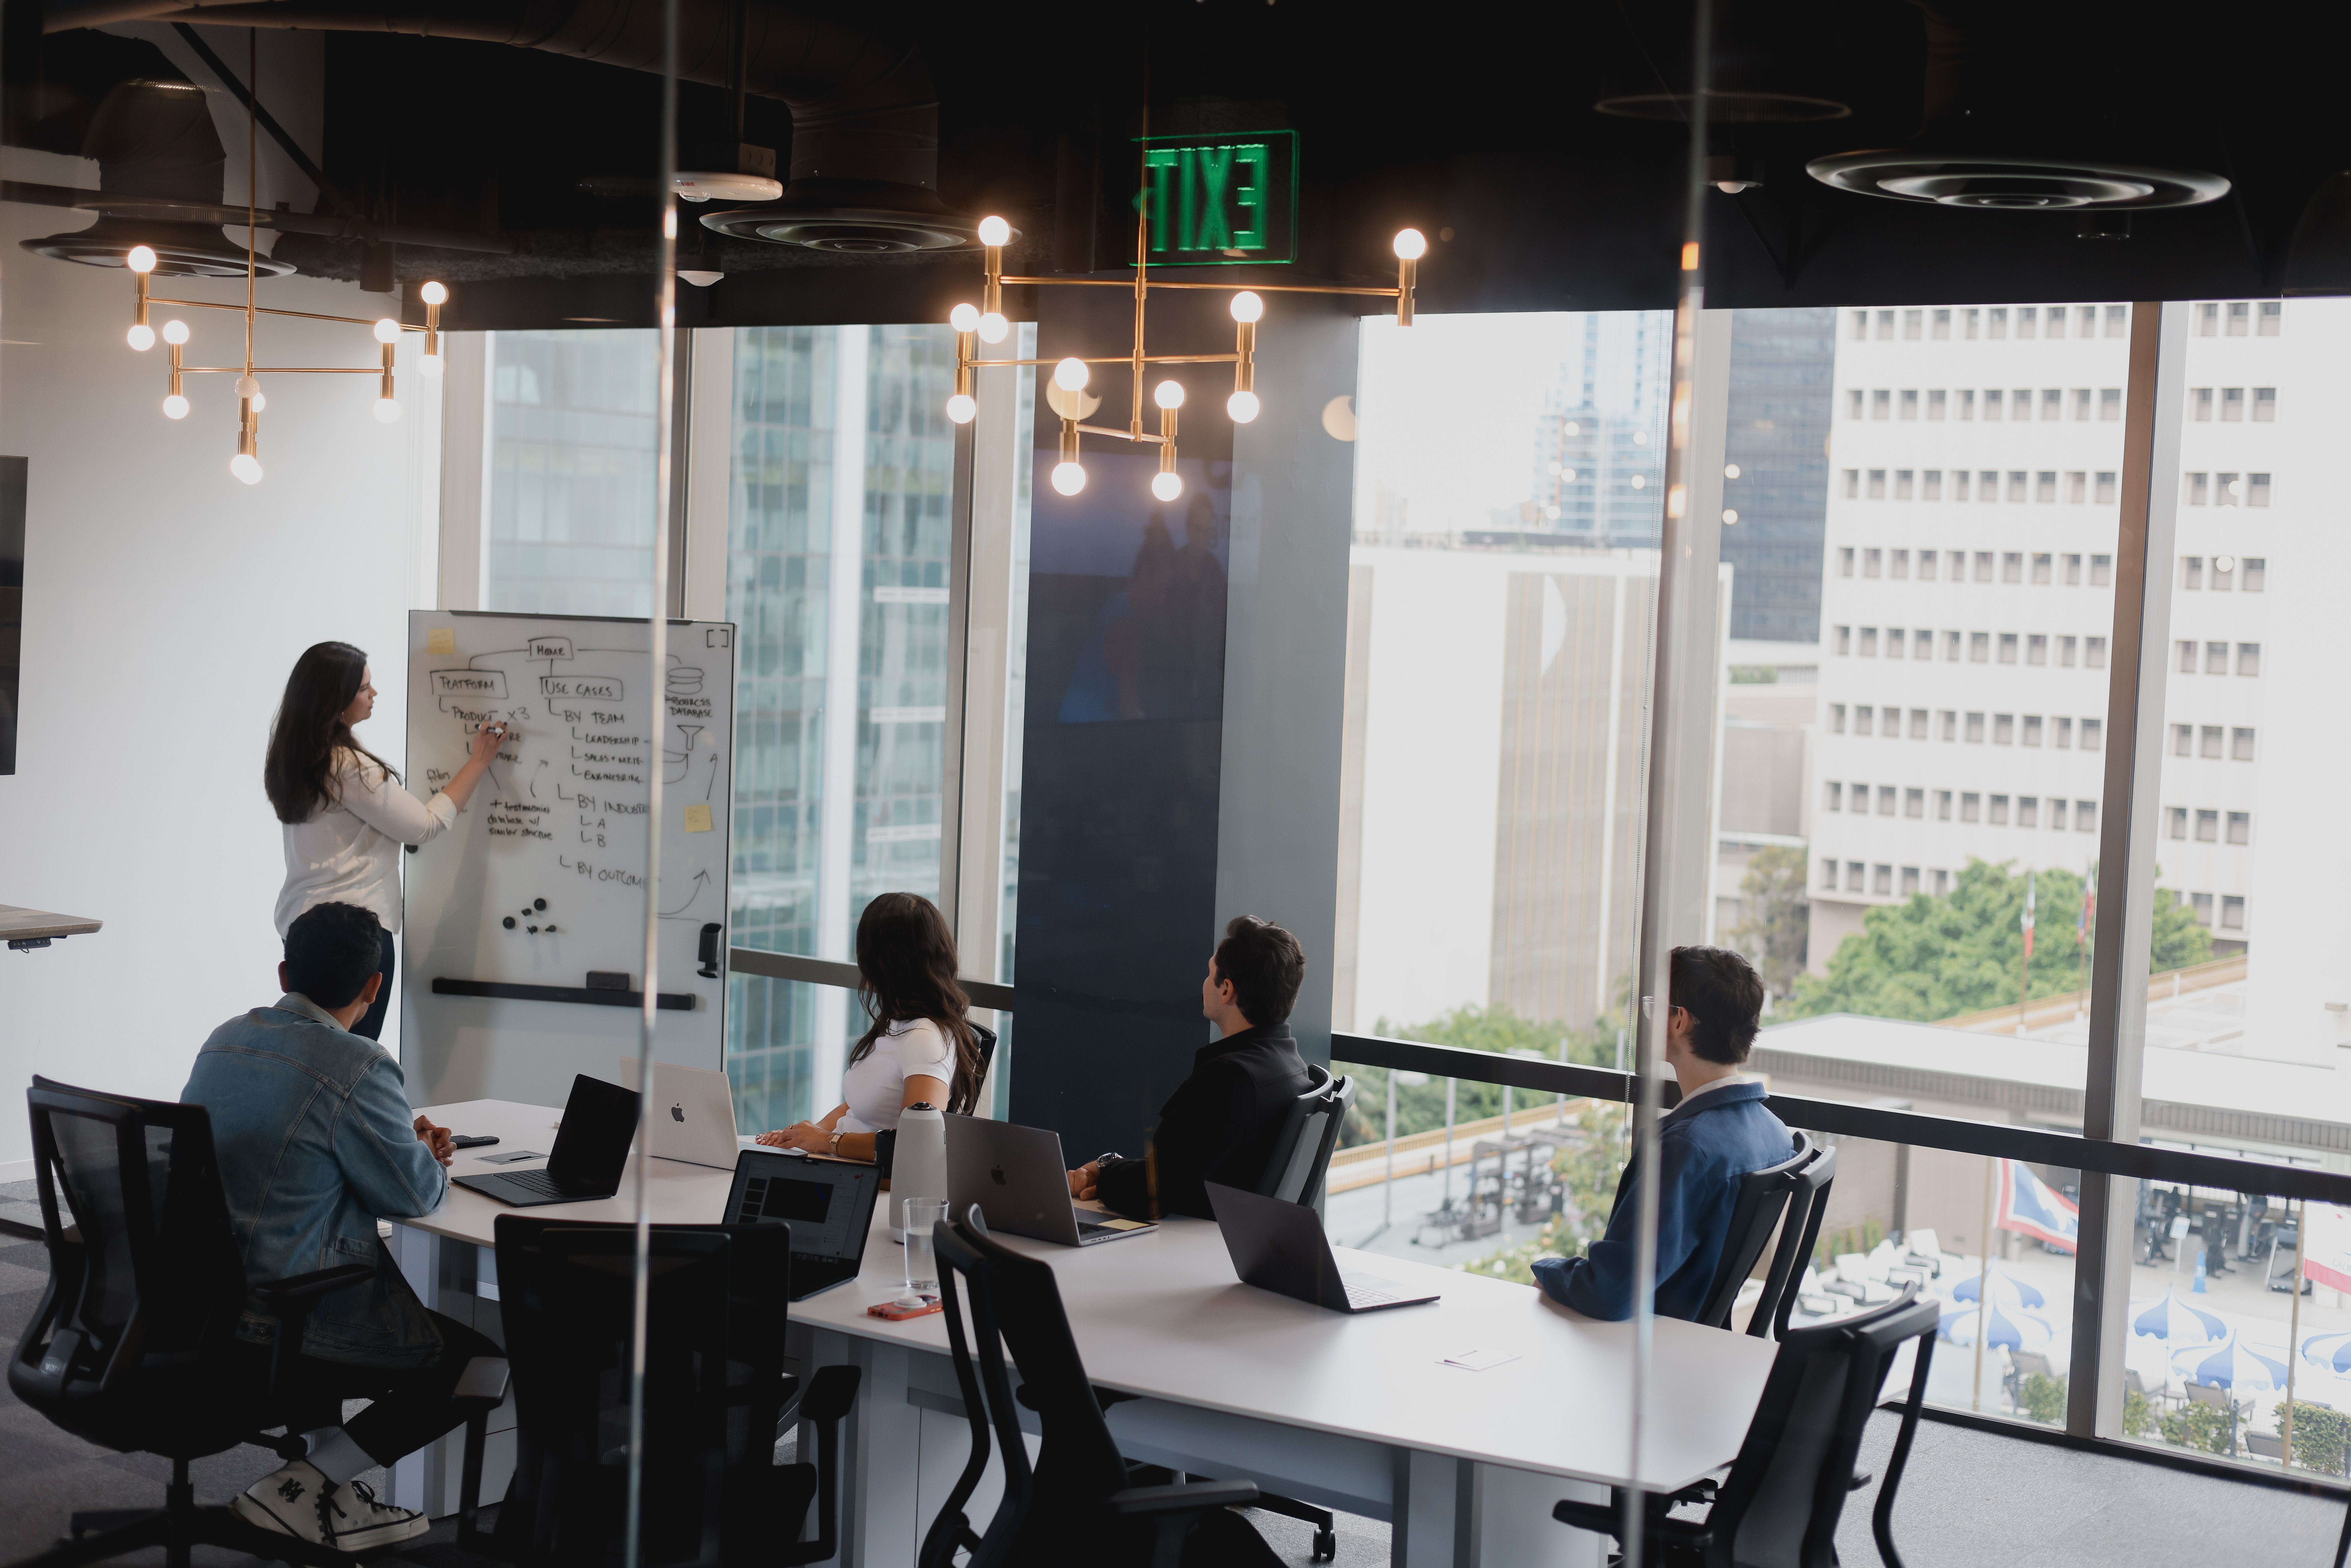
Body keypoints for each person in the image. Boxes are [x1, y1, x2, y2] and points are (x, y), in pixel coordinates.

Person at [182, 901, 501, 1551]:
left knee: (320, 1273)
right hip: (285, 1313)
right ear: (374, 985)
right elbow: (413, 1196)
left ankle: (327, 1497)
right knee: (481, 1362)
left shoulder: (225, 1037)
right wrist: (426, 1157)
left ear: (282, 973)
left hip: (196, 1298)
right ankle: (304, 1484)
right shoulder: (358, 1063)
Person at [1531, 946, 1794, 1322]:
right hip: (1700, 1343)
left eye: (1654, 1005)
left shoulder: (1685, 1149)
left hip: (1651, 1344)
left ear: (1678, 1022)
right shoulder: (1775, 1134)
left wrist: (1546, 1271)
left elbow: (1612, 1293)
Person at [265, 641, 508, 1041]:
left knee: (311, 1054)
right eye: (363, 688)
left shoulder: (293, 759)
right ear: (336, 700)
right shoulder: (347, 766)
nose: (374, 694)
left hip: (301, 928)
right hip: (352, 934)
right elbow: (424, 826)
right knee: (352, 1062)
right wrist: (479, 761)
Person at [1068, 916, 1317, 1222]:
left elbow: (1152, 1194)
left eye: (1209, 973)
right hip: (1224, 1240)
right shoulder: (1290, 1067)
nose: (1203, 982)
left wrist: (1104, 1172)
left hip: (1189, 1243)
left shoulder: (1228, 1079)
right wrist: (1112, 1170)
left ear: (1226, 991)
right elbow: (1176, 1171)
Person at [756, 892, 988, 1159]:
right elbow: (861, 1105)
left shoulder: (925, 1039)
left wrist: (825, 1141)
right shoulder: (898, 1020)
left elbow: (917, 1145)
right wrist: (811, 1133)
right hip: (843, 1163)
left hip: (868, 1180)